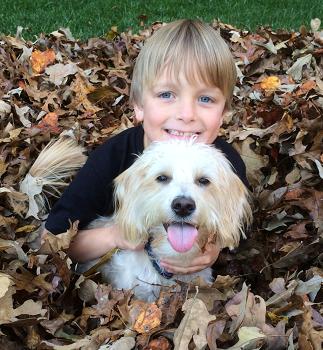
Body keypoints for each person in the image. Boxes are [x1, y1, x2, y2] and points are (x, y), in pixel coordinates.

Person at [43, 19, 249, 275]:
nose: (186, 114)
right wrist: (115, 236)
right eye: (166, 95)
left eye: (205, 99)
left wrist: (215, 247)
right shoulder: (110, 160)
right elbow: (52, 242)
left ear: (224, 113)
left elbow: (233, 226)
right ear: (138, 105)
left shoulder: (227, 165)